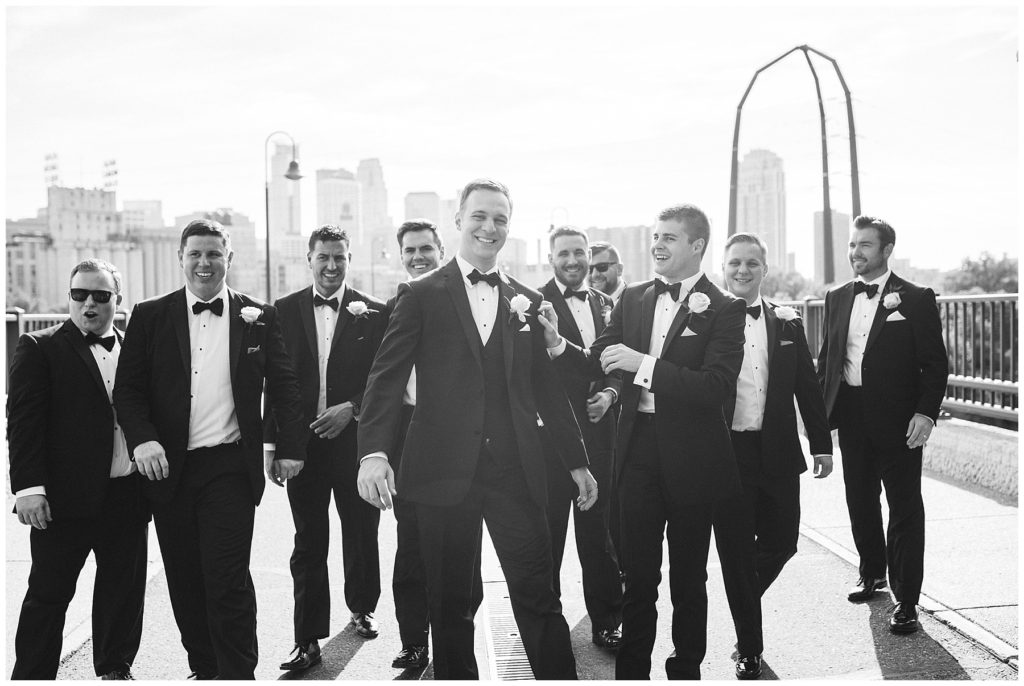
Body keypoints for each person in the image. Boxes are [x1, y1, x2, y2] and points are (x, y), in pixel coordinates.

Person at [356, 178, 597, 680]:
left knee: (539, 596)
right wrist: (373, 452)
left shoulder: (528, 300)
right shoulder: (421, 294)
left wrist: (577, 462)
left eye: (500, 219)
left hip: (515, 473)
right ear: (459, 221)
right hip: (442, 473)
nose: (490, 227)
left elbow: (547, 390)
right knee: (449, 607)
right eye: (480, 217)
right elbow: (385, 378)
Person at [545, 204, 746, 679]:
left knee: (689, 577)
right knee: (637, 576)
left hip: (694, 457)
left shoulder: (724, 307)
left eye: (669, 238)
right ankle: (632, 672)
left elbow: (716, 387)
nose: (657, 245)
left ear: (697, 245)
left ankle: (685, 669)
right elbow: (597, 360)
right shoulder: (634, 298)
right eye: (656, 236)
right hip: (636, 453)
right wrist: (556, 344)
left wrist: (645, 366)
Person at [114, 219, 308, 679]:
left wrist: (290, 447)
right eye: (196, 254)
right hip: (169, 469)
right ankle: (204, 669)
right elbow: (128, 390)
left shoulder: (260, 316)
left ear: (229, 259)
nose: (205, 263)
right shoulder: (149, 315)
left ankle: (238, 673)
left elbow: (284, 386)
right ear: (181, 258)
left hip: (229, 467)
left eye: (214, 254)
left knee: (227, 578)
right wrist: (143, 439)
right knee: (184, 580)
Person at [8, 259, 149, 681]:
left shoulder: (136, 350)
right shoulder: (39, 346)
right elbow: (23, 424)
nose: (89, 303)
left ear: (117, 301)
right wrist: (28, 489)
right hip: (62, 499)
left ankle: (115, 669)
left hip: (127, 494)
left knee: (123, 594)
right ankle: (32, 677)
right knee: (48, 597)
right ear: (69, 297)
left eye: (100, 296)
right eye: (79, 294)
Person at [265, 225, 388, 672]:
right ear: (310, 260)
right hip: (302, 448)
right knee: (308, 542)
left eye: (339, 257)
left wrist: (351, 408)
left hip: (355, 445)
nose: (332, 266)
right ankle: (307, 638)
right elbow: (274, 383)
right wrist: (275, 446)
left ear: (349, 259)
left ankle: (363, 608)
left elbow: (382, 379)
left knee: (362, 532)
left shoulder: (374, 312)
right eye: (324, 257)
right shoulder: (281, 311)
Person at [817, 215, 948, 634]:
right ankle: (871, 572)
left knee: (904, 506)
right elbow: (828, 360)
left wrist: (925, 413)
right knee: (859, 498)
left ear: (887, 250)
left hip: (900, 419)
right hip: (852, 414)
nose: (855, 252)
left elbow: (935, 364)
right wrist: (819, 420)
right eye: (853, 245)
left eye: (865, 245)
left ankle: (906, 600)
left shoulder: (916, 298)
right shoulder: (837, 297)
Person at [713, 233, 834, 679]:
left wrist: (821, 443)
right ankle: (750, 648)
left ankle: (742, 599)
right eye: (734, 263)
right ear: (723, 269)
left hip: (779, 452)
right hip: (728, 454)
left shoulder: (787, 323)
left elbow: (808, 386)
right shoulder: (706, 320)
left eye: (751, 263)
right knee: (736, 553)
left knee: (783, 543)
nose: (742, 270)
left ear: (765, 269)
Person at [385, 219, 484, 670]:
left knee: (462, 549)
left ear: (441, 249)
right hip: (408, 434)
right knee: (410, 546)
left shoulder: (458, 299)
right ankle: (413, 640)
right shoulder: (392, 306)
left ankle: (457, 631)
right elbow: (378, 382)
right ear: (400, 256)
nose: (418, 256)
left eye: (426, 248)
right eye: (410, 250)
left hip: (454, 435)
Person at [539, 225, 624, 652]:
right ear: (550, 259)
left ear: (588, 256)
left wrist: (610, 394)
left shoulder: (606, 303)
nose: (572, 261)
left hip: (600, 434)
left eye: (578, 252)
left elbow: (615, 362)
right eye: (563, 254)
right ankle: (546, 623)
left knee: (599, 532)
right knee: (549, 534)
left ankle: (606, 621)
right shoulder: (532, 305)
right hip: (551, 438)